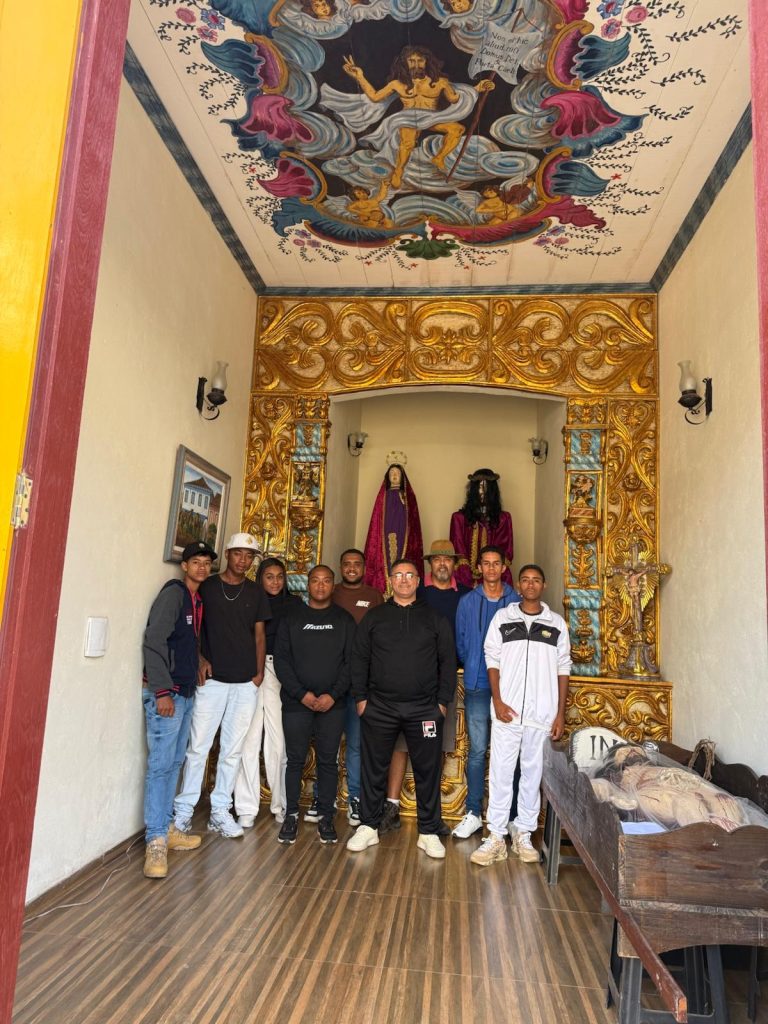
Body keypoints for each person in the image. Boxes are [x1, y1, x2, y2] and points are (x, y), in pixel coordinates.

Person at [347, 559, 457, 860]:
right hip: (379, 707)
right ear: (390, 580)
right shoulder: (375, 617)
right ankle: (369, 826)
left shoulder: (435, 618)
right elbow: (359, 658)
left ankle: (428, 831)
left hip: (424, 709)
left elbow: (448, 661)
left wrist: (441, 703)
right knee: (373, 767)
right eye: (399, 575)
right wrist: (361, 699)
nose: (404, 580)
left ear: (419, 580)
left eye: (410, 575)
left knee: (427, 770)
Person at [471, 564, 571, 866]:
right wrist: (498, 701)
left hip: (542, 715)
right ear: (518, 585)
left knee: (532, 775)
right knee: (500, 773)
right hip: (507, 713)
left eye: (536, 580)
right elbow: (492, 659)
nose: (530, 584)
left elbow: (563, 667)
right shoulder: (503, 618)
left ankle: (524, 832)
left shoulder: (556, 623)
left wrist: (559, 713)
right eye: (525, 580)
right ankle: (496, 835)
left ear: (543, 585)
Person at [173, 532, 270, 839]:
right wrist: (200, 658)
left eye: (249, 556)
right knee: (198, 748)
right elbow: (192, 628)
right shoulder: (208, 586)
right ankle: (183, 812)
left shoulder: (256, 592)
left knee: (232, 751)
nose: (243, 560)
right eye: (238, 553)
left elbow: (259, 635)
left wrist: (258, 675)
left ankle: (219, 811)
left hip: (245, 683)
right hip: (211, 681)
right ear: (227, 554)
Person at [380, 539, 469, 835]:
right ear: (429, 565)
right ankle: (391, 806)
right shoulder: (418, 594)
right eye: (437, 559)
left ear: (455, 564)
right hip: (410, 682)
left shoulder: (465, 595)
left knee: (437, 747)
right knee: (400, 747)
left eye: (448, 559)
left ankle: (430, 815)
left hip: (445, 682)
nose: (442, 563)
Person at [141, 540, 215, 879]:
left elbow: (182, 642)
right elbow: (154, 640)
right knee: (160, 766)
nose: (202, 567)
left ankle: (167, 828)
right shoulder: (174, 594)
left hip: (185, 692)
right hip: (167, 694)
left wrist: (198, 659)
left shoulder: (195, 599)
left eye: (206, 563)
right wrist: (161, 692)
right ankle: (155, 841)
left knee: (174, 763)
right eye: (196, 561)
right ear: (184, 566)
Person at [275, 564, 356, 846]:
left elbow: (351, 662)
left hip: (333, 705)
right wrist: (302, 695)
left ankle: (325, 816)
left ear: (333, 585)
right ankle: (291, 815)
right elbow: (281, 661)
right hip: (297, 703)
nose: (320, 586)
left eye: (326, 581)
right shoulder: (291, 618)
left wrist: (333, 695)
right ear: (307, 585)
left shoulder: (344, 620)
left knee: (327, 761)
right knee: (294, 760)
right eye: (315, 581)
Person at [340, 46, 494, 188]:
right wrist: (360, 77)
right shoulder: (397, 83)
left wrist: (477, 89)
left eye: (420, 60)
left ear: (426, 62)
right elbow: (375, 97)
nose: (416, 64)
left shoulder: (441, 82)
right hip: (408, 117)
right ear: (405, 63)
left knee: (457, 129)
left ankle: (439, 158)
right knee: (407, 143)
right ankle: (399, 171)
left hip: (432, 117)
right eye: (411, 60)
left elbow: (455, 99)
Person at [452, 545, 520, 840]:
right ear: (478, 568)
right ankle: (473, 812)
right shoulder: (467, 601)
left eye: (496, 563)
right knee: (478, 750)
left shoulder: (516, 601)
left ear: (504, 567)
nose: (491, 569)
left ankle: (512, 816)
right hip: (478, 684)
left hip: (511, 687)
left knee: (511, 751)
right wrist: (473, 663)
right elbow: (461, 642)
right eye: (486, 563)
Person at [234, 557, 302, 828]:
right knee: (248, 739)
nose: (275, 582)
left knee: (278, 741)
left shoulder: (295, 604)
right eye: (269, 577)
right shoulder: (249, 600)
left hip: (279, 670)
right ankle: (246, 807)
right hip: (250, 668)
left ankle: (280, 804)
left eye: (280, 577)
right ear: (260, 578)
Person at [328, 548, 384, 827]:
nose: (351, 568)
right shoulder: (330, 591)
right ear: (341, 567)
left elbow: (381, 637)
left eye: (356, 564)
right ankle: (322, 798)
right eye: (347, 564)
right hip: (329, 682)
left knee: (356, 745)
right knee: (326, 744)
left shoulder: (374, 596)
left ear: (364, 567)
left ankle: (355, 799)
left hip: (361, 685)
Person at [363, 456, 423, 595]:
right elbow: (377, 520)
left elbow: (413, 522)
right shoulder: (382, 497)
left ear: (402, 477)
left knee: (401, 555)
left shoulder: (408, 497)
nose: (394, 476)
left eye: (397, 473)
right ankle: (385, 589)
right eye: (392, 473)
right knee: (386, 558)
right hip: (385, 533)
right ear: (387, 477)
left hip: (402, 533)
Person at [450, 468, 514, 588]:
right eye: (479, 487)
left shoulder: (503, 518)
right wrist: (468, 577)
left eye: (486, 487)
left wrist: (490, 573)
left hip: (495, 574)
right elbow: (458, 550)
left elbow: (505, 550)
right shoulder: (459, 518)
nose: (482, 492)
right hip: (465, 575)